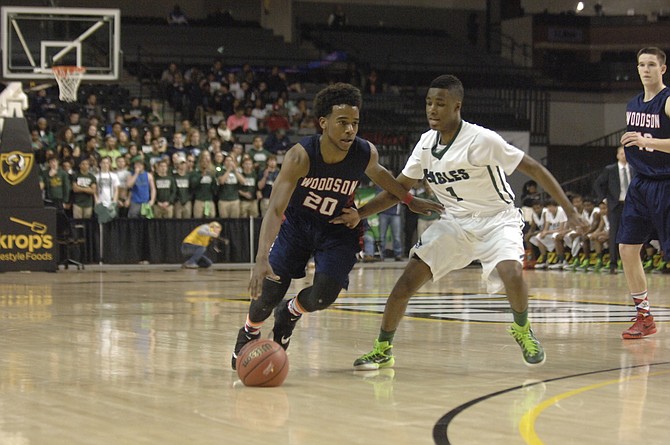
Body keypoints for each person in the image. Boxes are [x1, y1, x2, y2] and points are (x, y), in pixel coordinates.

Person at [339, 75, 587, 370]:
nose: (432, 109)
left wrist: (570, 210)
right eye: (429, 103)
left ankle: (522, 329)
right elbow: (398, 189)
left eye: (440, 104)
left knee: (512, 272)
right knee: (405, 283)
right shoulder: (426, 144)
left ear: (457, 106)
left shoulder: (481, 139)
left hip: (497, 219)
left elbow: (534, 167)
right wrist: (360, 213)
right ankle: (382, 348)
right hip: (455, 222)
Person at [230, 83, 443, 370]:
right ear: (323, 123)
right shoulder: (301, 156)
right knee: (267, 295)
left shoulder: (364, 153)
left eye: (355, 123)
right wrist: (260, 259)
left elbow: (387, 183)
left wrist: (407, 200)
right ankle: (249, 331)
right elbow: (275, 209)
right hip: (298, 225)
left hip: (338, 228)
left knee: (323, 296)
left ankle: (289, 314)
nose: (350, 130)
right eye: (342, 123)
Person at [617, 47, 670, 339]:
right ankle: (644, 316)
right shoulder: (633, 104)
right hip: (641, 184)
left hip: (667, 181)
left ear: (663, 69)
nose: (645, 69)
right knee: (627, 248)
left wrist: (646, 140)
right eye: (641, 64)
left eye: (651, 64)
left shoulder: (668, 101)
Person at [595, 145, 635, 273]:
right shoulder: (610, 169)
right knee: (614, 234)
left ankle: (632, 263)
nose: (624, 155)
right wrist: (604, 199)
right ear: (617, 155)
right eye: (622, 153)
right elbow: (598, 184)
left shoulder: (634, 168)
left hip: (631, 205)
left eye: (626, 153)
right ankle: (613, 264)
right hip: (615, 205)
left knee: (632, 234)